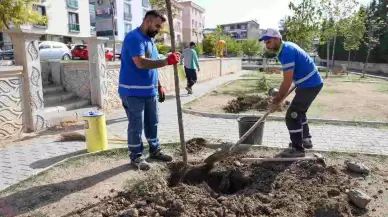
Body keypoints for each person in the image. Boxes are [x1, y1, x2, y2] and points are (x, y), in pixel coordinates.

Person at [119, 10, 180, 170]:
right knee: (136, 125)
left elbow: (152, 66)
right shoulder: (134, 38)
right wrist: (166, 61)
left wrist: (158, 85)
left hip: (149, 91)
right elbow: (141, 63)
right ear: (147, 21)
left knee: (152, 123)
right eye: (157, 26)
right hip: (132, 92)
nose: (158, 30)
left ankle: (154, 150)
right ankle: (136, 156)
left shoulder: (149, 41)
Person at [259, 28, 324, 158]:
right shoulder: (287, 47)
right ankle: (305, 140)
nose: (267, 45)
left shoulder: (286, 52)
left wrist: (276, 101)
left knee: (292, 116)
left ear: (277, 39)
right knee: (300, 113)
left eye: (269, 41)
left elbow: (286, 83)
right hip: (308, 82)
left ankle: (297, 149)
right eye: (265, 42)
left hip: (310, 85)